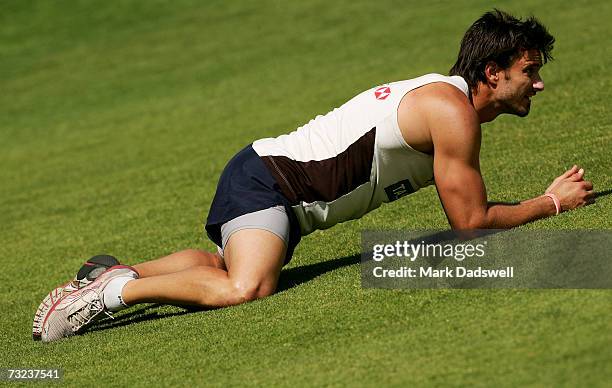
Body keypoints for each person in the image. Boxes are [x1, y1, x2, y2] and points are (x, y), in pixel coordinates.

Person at [34, 9, 594, 342]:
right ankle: (110, 295)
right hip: (269, 184)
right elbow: (470, 223)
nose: (538, 84)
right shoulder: (451, 113)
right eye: (529, 72)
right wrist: (551, 203)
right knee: (247, 285)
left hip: (269, 184)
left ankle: (110, 270)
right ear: (492, 72)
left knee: (223, 266)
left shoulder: (448, 104)